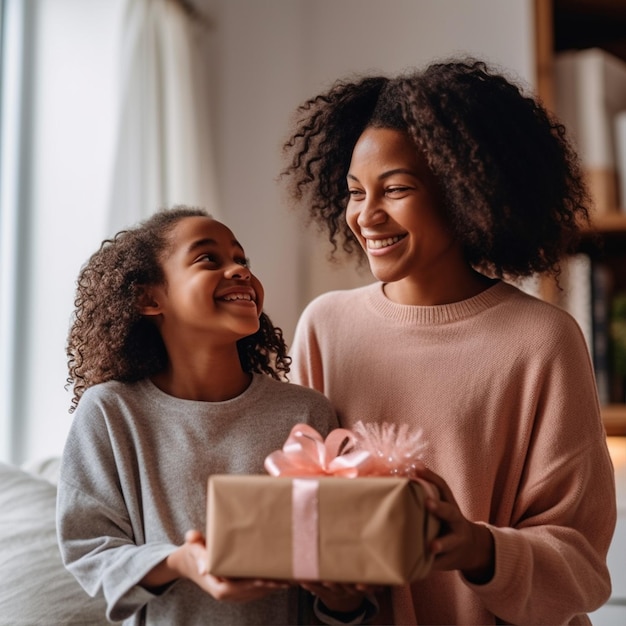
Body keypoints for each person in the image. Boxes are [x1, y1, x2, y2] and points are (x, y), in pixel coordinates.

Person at [280, 58, 617, 625]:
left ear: (465, 194)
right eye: (355, 192)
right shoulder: (324, 327)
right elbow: (309, 519)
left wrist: (476, 548)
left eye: (396, 189)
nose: (366, 215)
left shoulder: (542, 340)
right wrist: (333, 596)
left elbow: (581, 563)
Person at [56, 206, 343, 625]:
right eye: (209, 259)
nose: (239, 271)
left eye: (241, 260)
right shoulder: (111, 411)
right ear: (149, 298)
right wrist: (181, 562)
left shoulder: (306, 411)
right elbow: (89, 548)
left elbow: (334, 568)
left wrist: (343, 597)